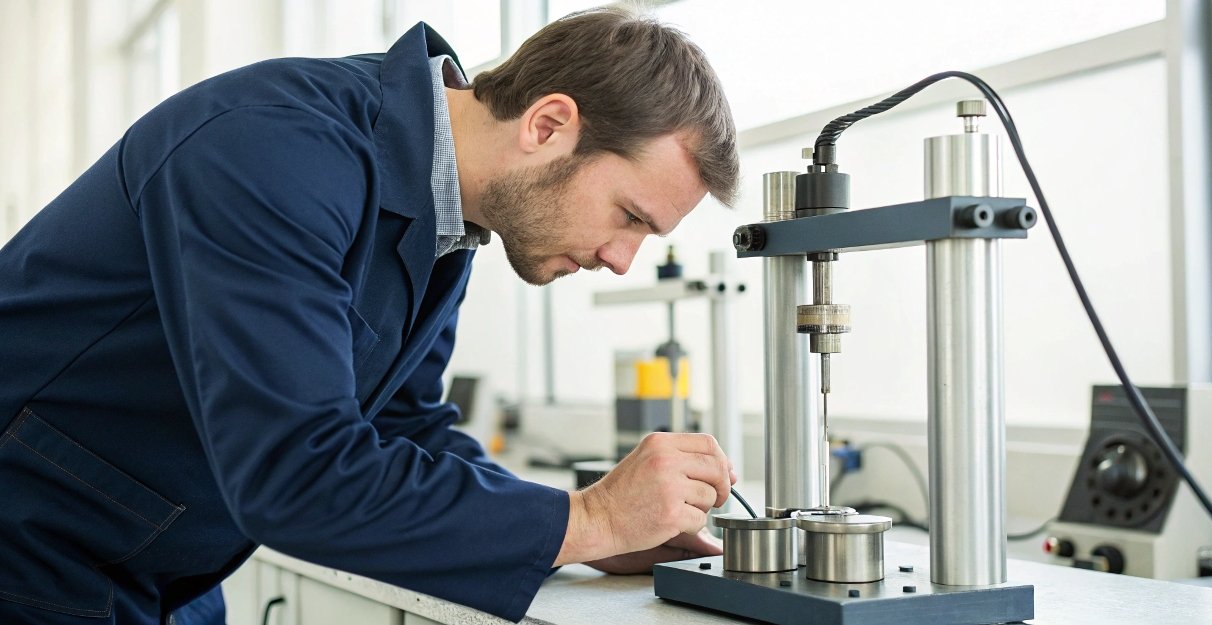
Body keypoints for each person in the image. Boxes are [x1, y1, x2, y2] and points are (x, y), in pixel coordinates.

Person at [0, 7, 740, 625]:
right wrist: (591, 518)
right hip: (31, 543)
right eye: (630, 217)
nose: (621, 259)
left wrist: (572, 534)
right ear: (548, 124)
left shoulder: (447, 213)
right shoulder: (271, 148)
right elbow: (296, 473)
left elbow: (403, 425)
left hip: (157, 557)